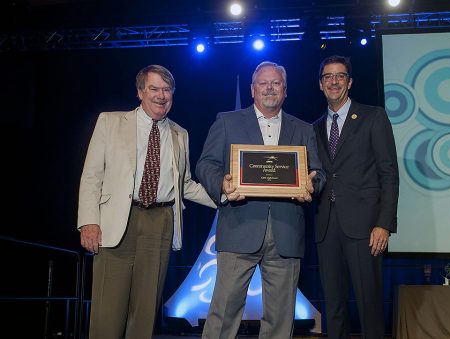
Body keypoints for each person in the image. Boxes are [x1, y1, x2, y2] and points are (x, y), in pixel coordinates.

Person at [77, 64, 216, 339]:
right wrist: (89, 222)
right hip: (117, 221)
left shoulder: (180, 134)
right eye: (154, 89)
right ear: (140, 92)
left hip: (160, 223)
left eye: (167, 90)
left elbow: (185, 185)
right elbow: (92, 175)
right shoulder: (110, 121)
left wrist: (227, 197)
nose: (161, 96)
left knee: (145, 312)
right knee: (107, 312)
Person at [196, 61, 326, 339]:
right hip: (238, 227)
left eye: (276, 83)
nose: (270, 88)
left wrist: (311, 183)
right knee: (224, 312)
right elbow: (205, 164)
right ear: (253, 89)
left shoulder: (303, 129)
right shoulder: (227, 121)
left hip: (286, 233)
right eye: (263, 83)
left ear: (285, 90)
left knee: (280, 319)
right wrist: (222, 183)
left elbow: (319, 173)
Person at [313, 55, 399, 339]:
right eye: (328, 77)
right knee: (333, 305)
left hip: (365, 227)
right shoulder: (312, 128)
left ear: (349, 82)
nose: (334, 81)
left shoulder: (373, 116)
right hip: (326, 226)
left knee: (369, 303)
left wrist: (383, 223)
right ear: (321, 85)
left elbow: (389, 173)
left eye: (340, 76)